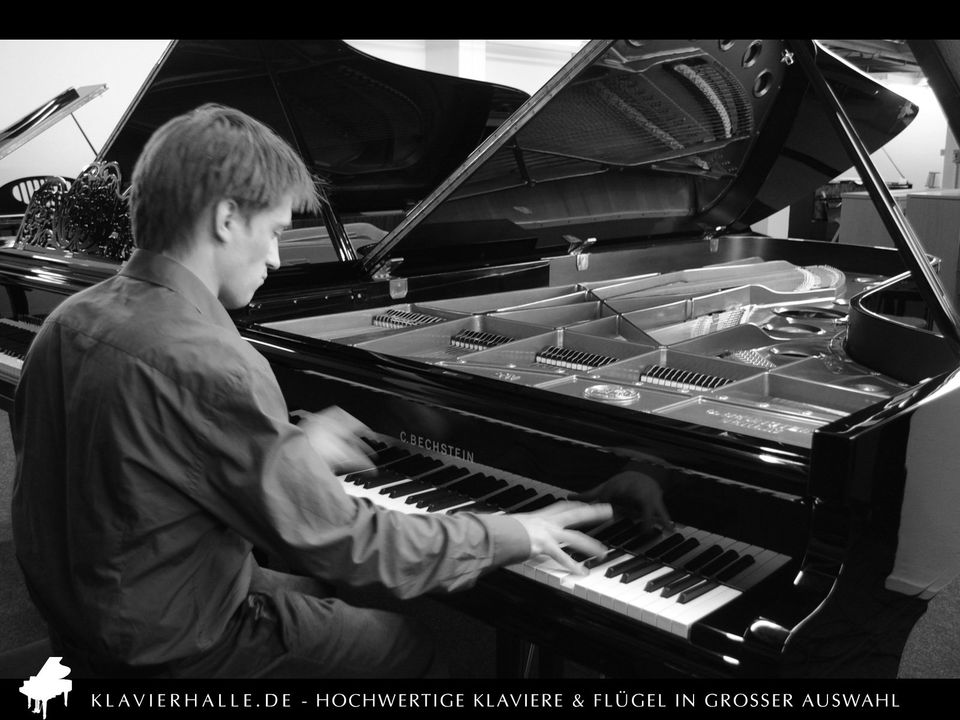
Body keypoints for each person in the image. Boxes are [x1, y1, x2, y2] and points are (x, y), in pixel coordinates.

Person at [11, 103, 670, 679]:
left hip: (89, 615)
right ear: (224, 219)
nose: (275, 259)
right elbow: (353, 546)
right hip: (174, 641)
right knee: (401, 646)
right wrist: (510, 532)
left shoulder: (70, 322)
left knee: (318, 590)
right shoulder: (210, 359)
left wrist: (292, 449)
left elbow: (146, 467)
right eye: (272, 232)